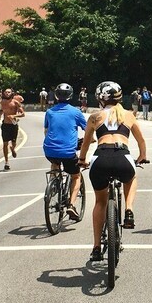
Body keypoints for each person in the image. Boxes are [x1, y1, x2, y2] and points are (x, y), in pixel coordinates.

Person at [78, 81, 147, 261]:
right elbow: (141, 142)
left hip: (100, 158)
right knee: (131, 178)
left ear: (101, 99)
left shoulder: (95, 117)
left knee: (100, 202)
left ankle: (96, 247)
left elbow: (85, 143)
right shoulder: (129, 115)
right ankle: (129, 210)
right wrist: (142, 157)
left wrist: (82, 160)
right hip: (122, 157)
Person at [43, 83, 87, 220]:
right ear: (70, 96)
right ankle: (71, 205)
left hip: (49, 150)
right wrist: (85, 142)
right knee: (76, 176)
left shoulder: (49, 112)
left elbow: (46, 131)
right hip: (68, 152)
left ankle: (53, 184)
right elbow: (89, 131)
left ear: (56, 96)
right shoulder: (76, 112)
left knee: (55, 163)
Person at [0, 87, 24, 170]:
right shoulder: (2, 102)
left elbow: (23, 114)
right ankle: (6, 162)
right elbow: (2, 109)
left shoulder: (15, 102)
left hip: (13, 125)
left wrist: (14, 116)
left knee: (14, 143)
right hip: (5, 125)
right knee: (5, 144)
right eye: (6, 92)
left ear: (12, 93)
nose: (7, 94)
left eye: (9, 92)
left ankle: (12, 148)